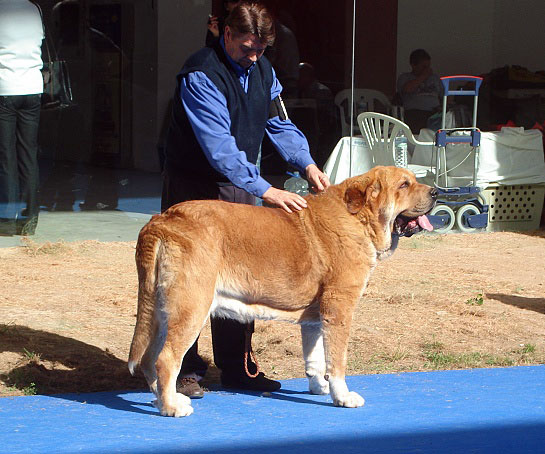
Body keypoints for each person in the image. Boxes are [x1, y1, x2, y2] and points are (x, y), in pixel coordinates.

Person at [162, 1, 330, 398]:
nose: (253, 56)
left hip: (240, 185)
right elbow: (218, 147)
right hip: (194, 188)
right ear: (226, 34)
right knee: (192, 280)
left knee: (242, 276)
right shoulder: (201, 73)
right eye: (246, 47)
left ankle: (238, 368)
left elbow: (278, 123)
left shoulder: (264, 70)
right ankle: (186, 370)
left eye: (260, 49)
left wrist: (306, 164)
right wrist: (267, 190)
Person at [0, 0, 44, 236]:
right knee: (29, 155)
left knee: (6, 156)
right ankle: (29, 221)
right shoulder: (34, 9)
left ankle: (7, 219)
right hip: (32, 88)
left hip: (5, 88)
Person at [397, 49, 442, 133]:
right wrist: (424, 76)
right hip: (416, 113)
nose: (427, 69)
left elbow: (444, 96)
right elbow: (407, 89)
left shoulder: (435, 78)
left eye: (428, 66)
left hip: (435, 113)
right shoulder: (405, 77)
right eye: (424, 67)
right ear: (413, 65)